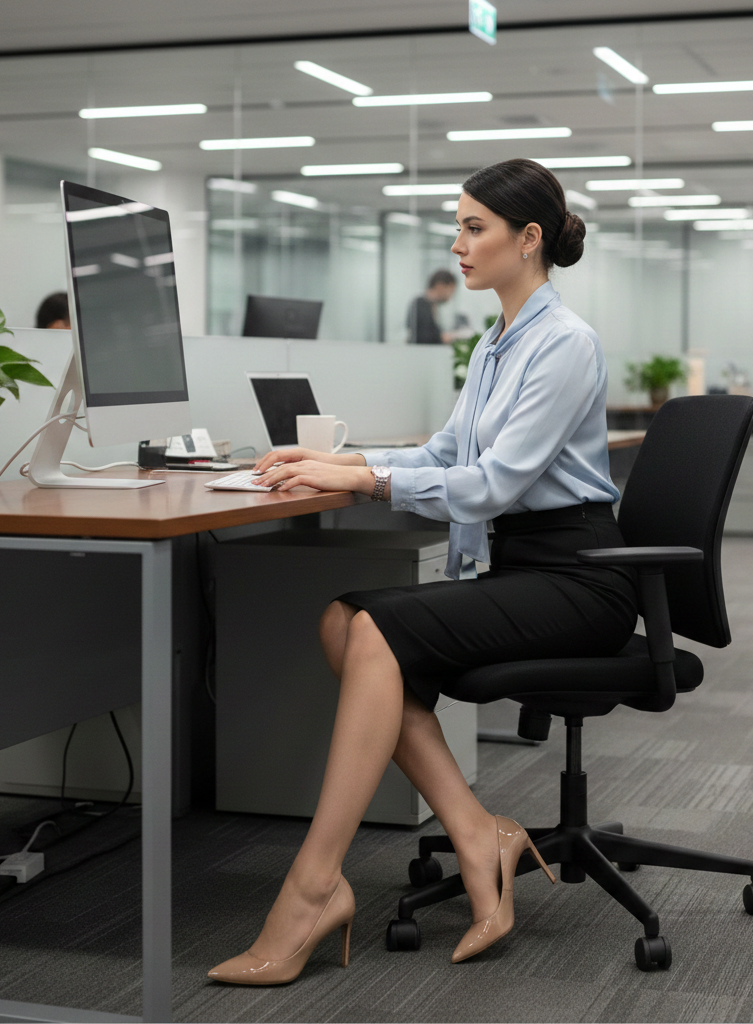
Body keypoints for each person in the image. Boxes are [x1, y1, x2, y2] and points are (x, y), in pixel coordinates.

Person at [208, 158, 639, 985]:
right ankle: (479, 833)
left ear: (529, 238)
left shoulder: (564, 344)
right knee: (341, 621)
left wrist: (366, 481)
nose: (458, 244)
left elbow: (493, 484)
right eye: (458, 226)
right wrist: (339, 461)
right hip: (526, 567)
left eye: (475, 227)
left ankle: (313, 887)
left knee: (372, 629)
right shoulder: (497, 343)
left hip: (582, 580)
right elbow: (446, 455)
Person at [408, 268, 457, 344]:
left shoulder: (433, 305)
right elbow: (422, 336)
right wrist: (443, 338)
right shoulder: (419, 304)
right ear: (440, 286)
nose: (451, 295)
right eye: (451, 290)